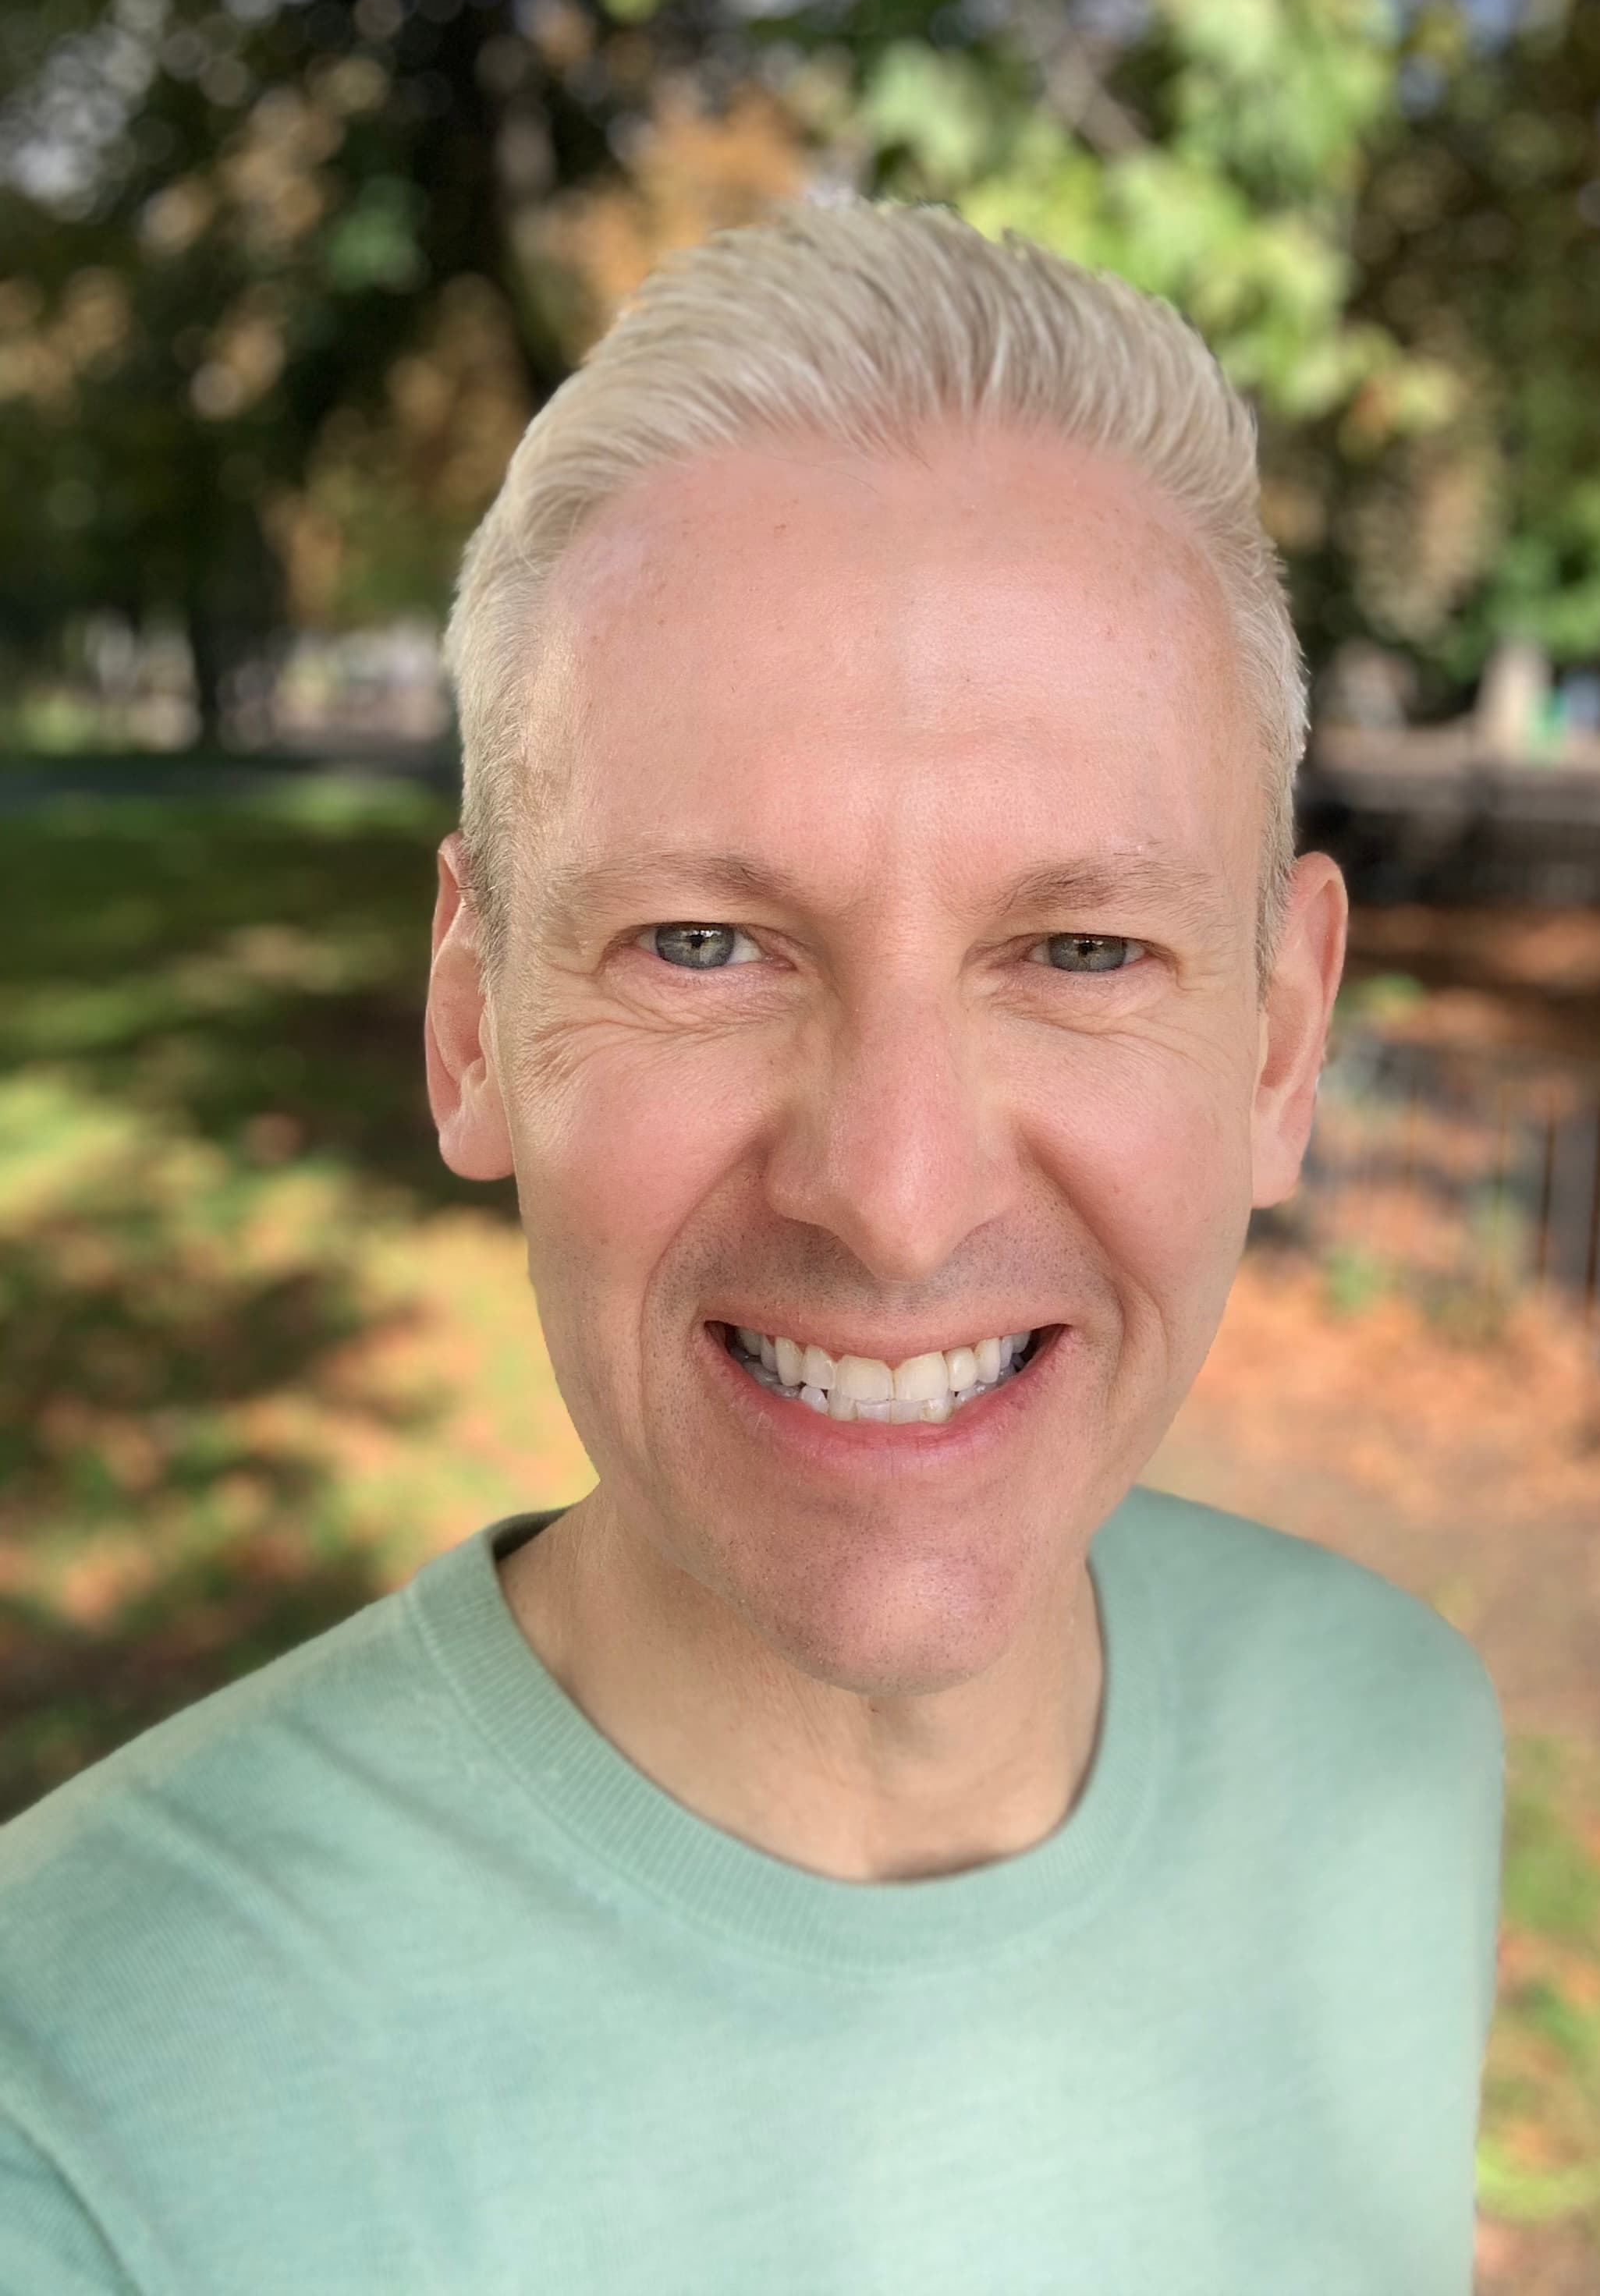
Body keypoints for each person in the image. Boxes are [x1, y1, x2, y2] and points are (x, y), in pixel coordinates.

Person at [0, 197, 1503, 2294]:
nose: (896, 1194)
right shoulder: (75, 2127)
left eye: (1081, 949)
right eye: (702, 943)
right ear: (473, 1024)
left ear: (1278, 1044)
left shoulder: (1394, 1748)